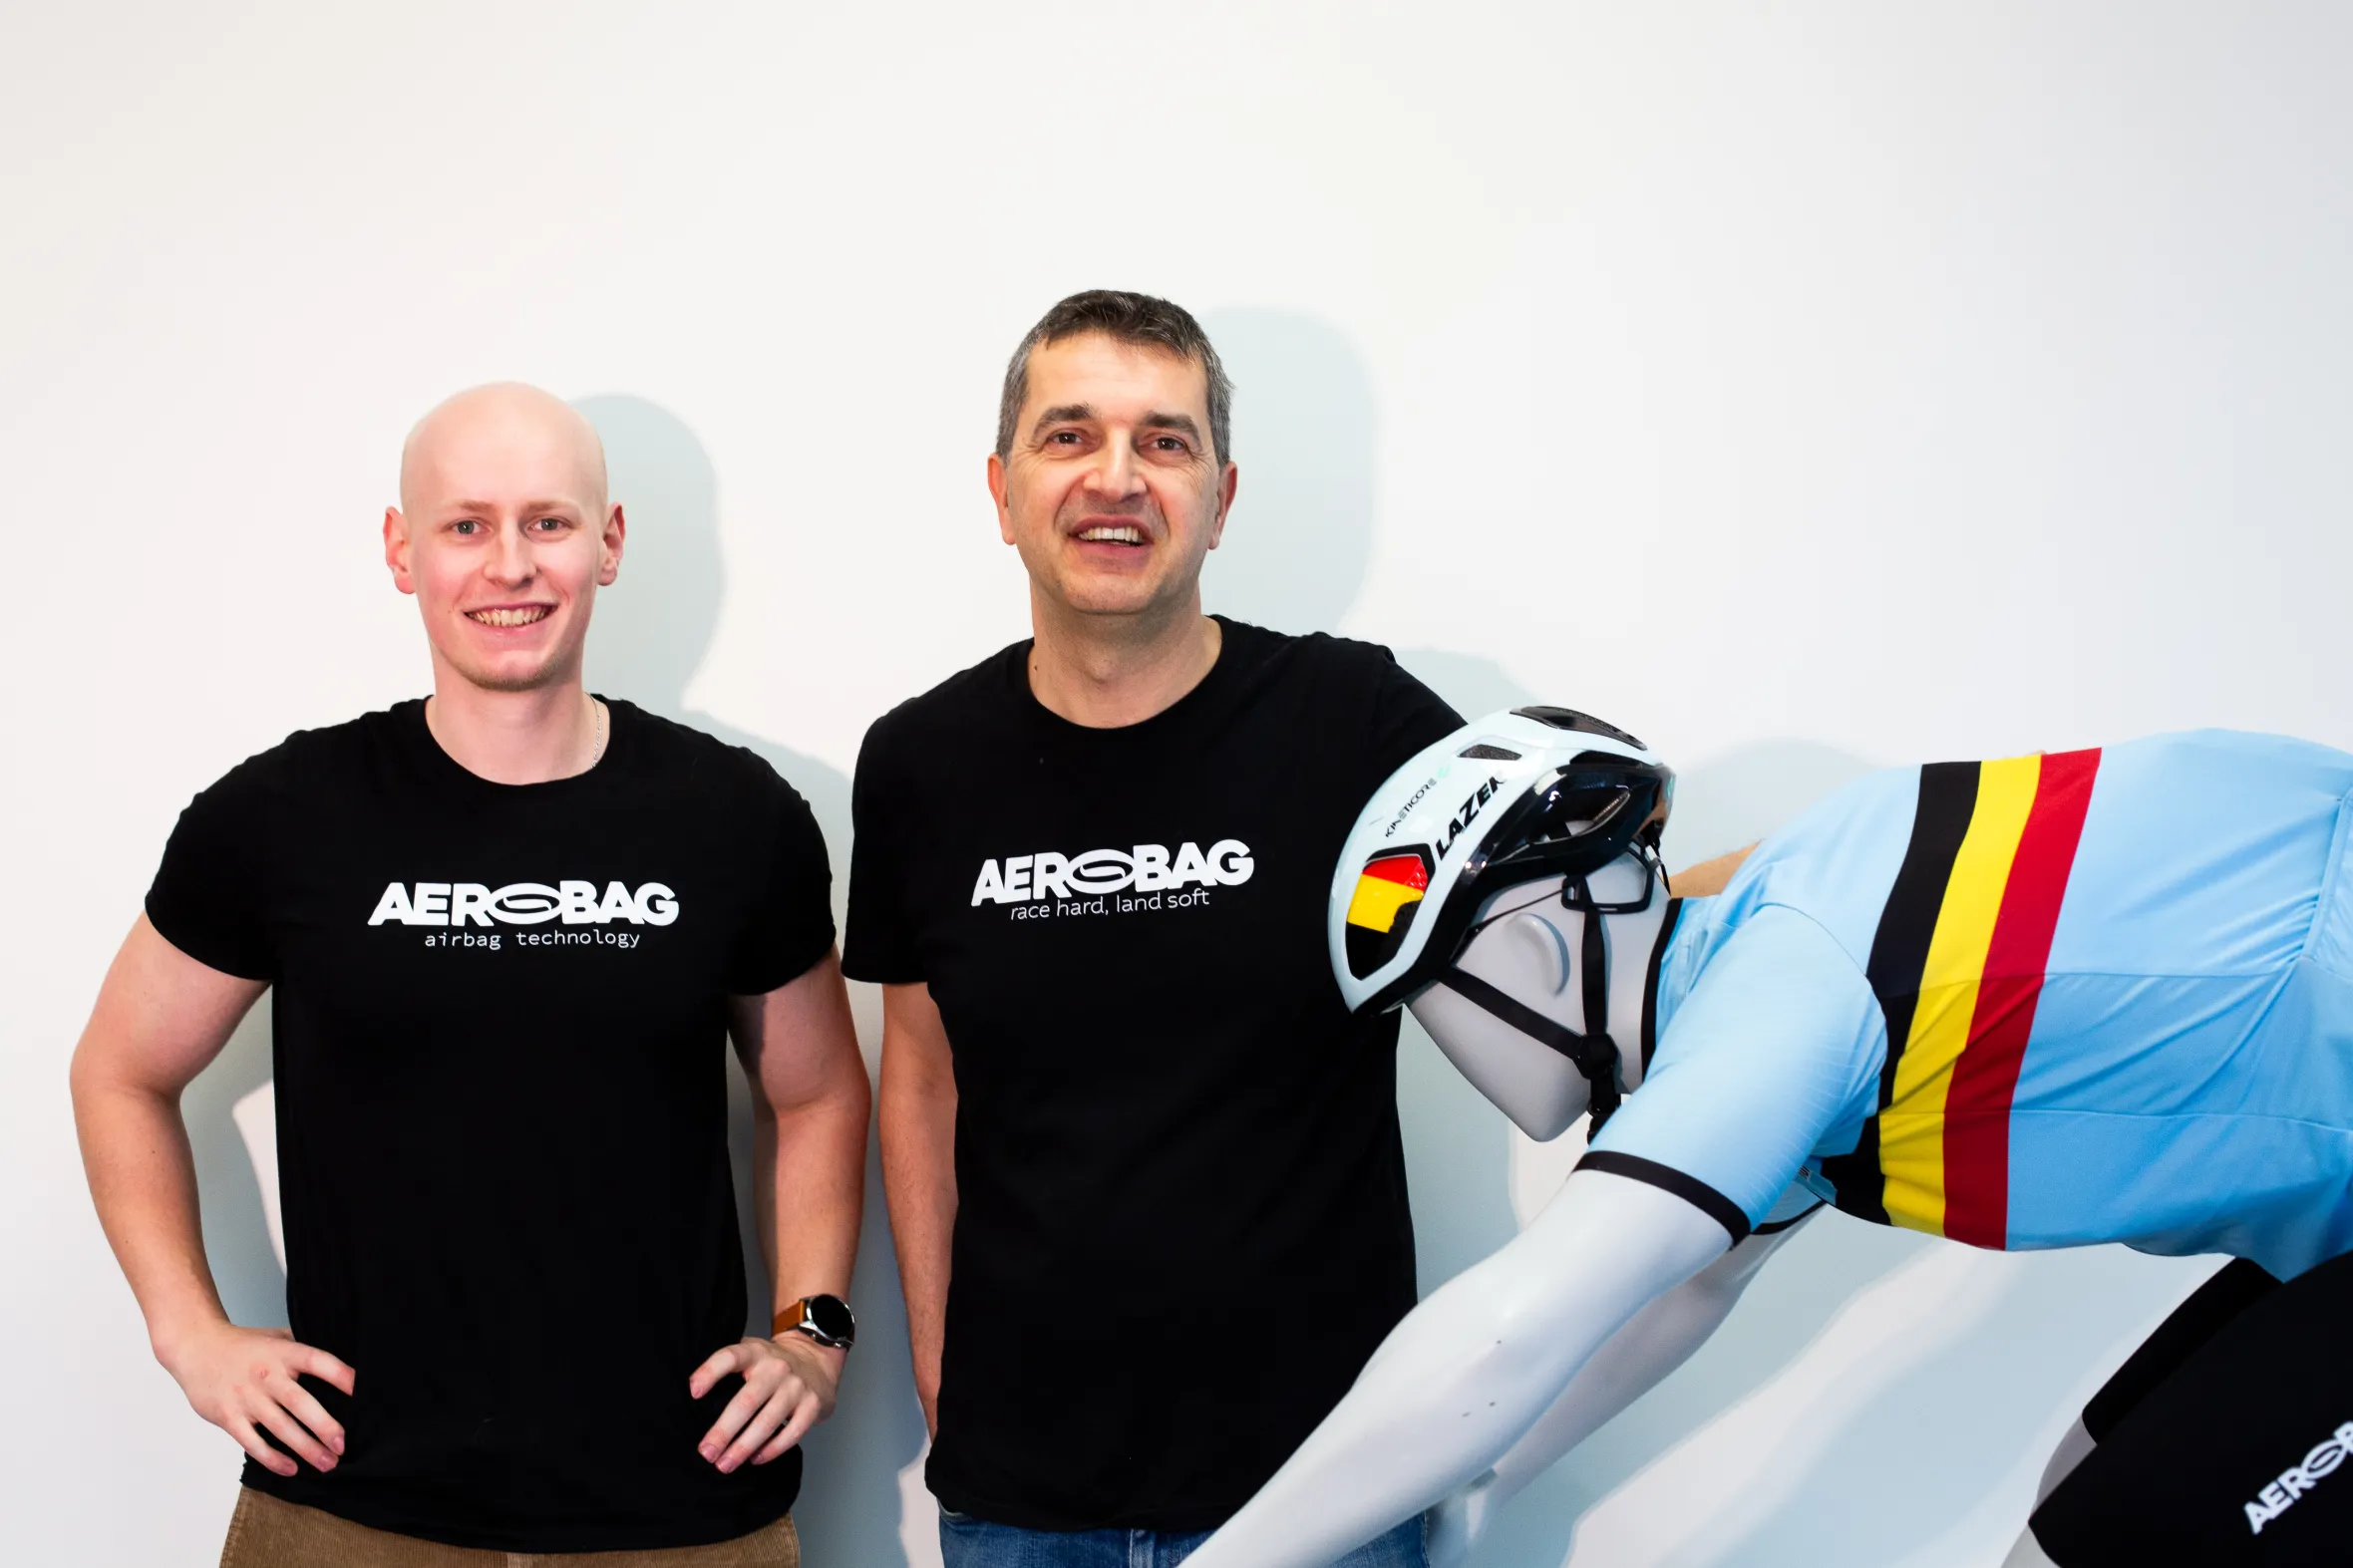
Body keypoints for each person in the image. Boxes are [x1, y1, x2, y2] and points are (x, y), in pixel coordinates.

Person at [1185, 708, 2353, 1568]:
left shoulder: (1781, 990)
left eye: (1430, 1000)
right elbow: (1682, 1288)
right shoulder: (1776, 934)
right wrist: (1481, 1477)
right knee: (2077, 1500)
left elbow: (1509, 1331)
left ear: (1532, 951)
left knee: (2101, 1549)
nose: (1446, 1047)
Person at [68, 384, 871, 1565]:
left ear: (608, 542)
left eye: (548, 522)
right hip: (347, 1505)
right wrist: (188, 1335)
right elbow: (118, 1071)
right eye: (465, 525)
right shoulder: (284, 818)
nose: (511, 566)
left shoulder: (733, 818)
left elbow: (816, 1096)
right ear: (403, 551)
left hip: (678, 1510)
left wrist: (815, 1334)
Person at [844, 290, 1465, 1568]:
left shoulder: (1355, 722)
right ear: (1002, 486)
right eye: (1068, 435)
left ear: (1221, 496)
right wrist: (941, 1366)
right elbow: (919, 1073)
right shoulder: (919, 762)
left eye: (1164, 441)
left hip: (1323, 1487)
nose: (1114, 478)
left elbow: (1572, 923)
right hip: (1023, 1501)